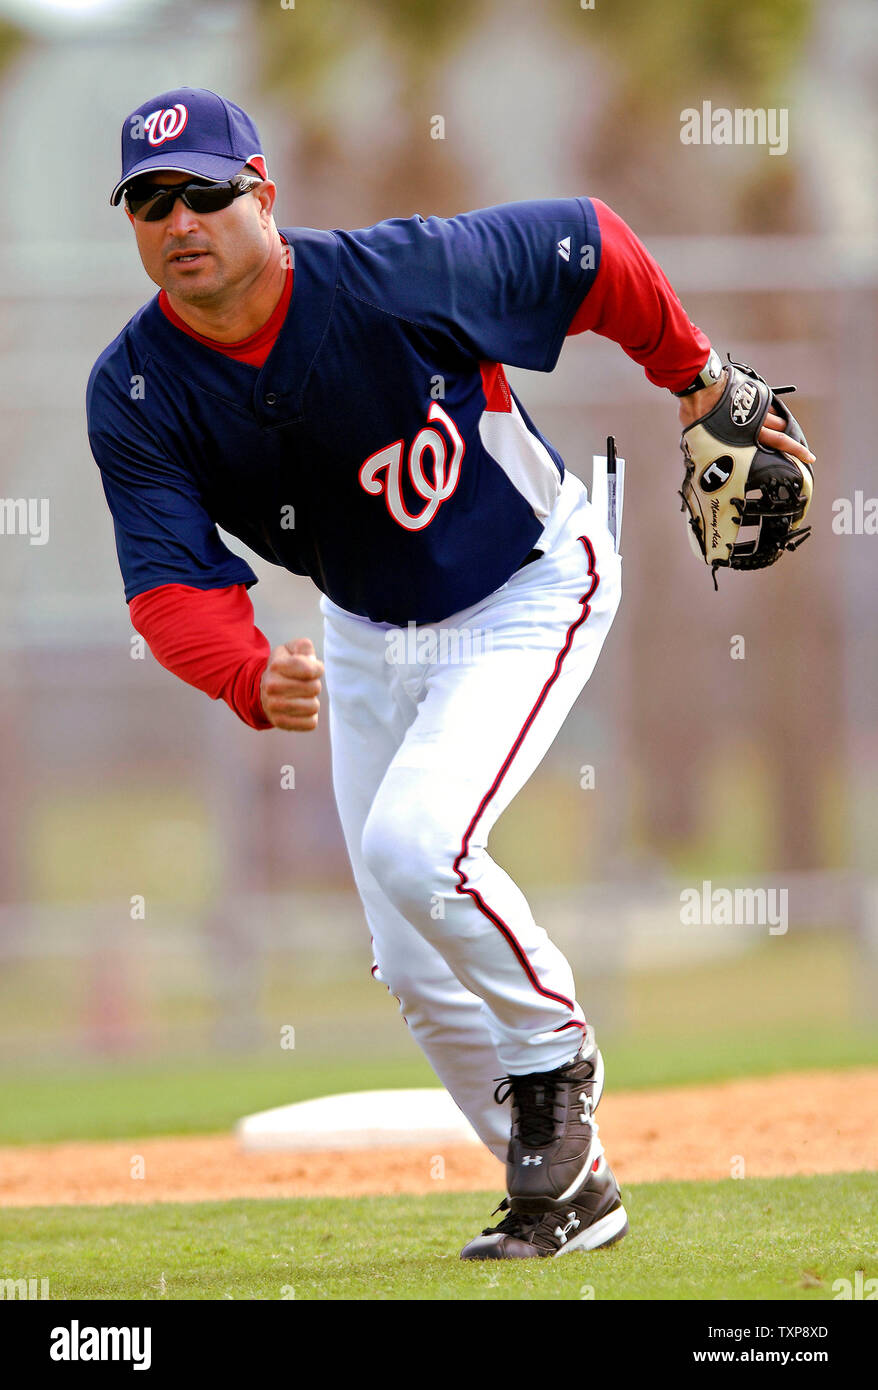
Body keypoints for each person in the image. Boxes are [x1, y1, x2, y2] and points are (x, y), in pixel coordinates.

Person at [87, 87, 815, 1261]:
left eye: (208, 192)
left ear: (262, 195)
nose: (182, 219)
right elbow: (168, 585)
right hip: (371, 629)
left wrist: (692, 376)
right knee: (412, 963)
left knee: (415, 844)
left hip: (529, 585)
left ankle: (551, 1057)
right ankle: (566, 1195)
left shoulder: (396, 277)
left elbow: (588, 245)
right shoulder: (136, 388)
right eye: (151, 200)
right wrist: (242, 670)